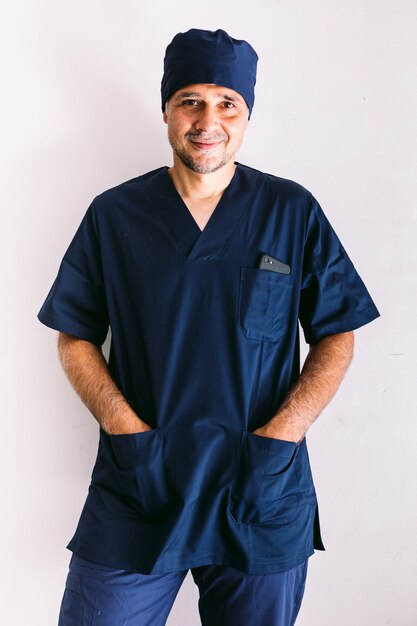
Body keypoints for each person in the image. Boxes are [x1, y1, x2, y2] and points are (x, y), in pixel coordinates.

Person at [38, 28, 380, 626]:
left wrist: (282, 435)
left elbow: (338, 332)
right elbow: (74, 334)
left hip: (259, 489)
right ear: (166, 108)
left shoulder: (290, 211)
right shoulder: (114, 215)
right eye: (190, 99)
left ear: (248, 115)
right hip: (141, 484)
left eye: (228, 103)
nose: (208, 119)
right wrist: (124, 428)